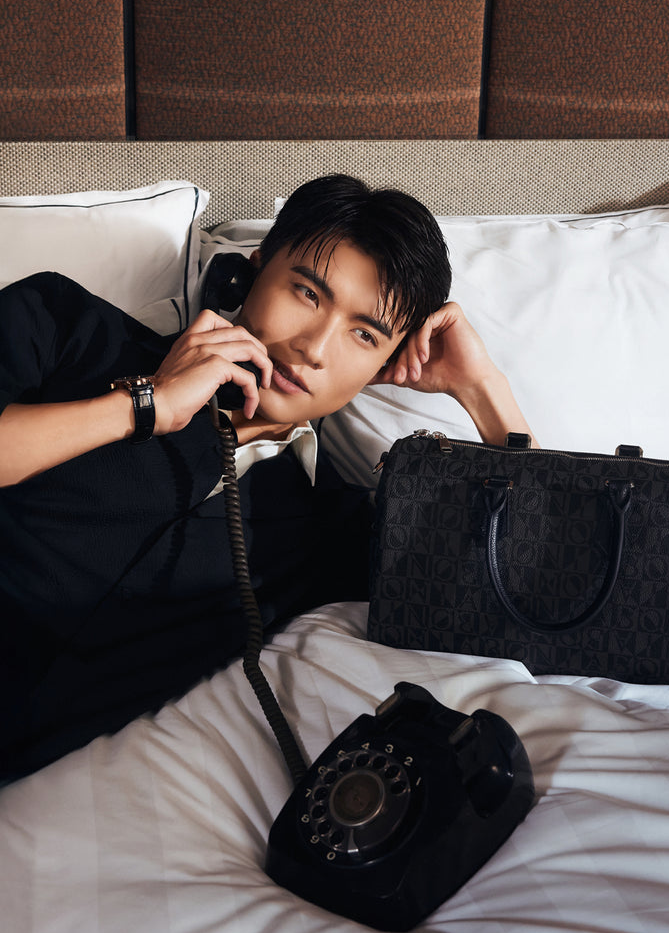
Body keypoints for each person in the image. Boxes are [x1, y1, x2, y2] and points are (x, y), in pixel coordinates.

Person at [0, 174, 535, 781]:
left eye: (364, 334)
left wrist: (485, 391)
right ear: (248, 274)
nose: (315, 347)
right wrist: (149, 406)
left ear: (385, 365)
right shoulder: (65, 325)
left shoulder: (330, 531)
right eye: (307, 293)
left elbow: (534, 596)